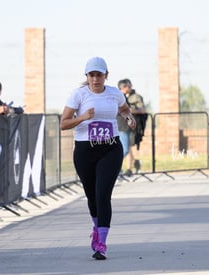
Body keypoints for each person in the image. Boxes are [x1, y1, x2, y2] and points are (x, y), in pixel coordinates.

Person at [60, 57, 136, 260]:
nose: (95, 79)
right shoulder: (78, 95)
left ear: (106, 75)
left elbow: (124, 109)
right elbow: (63, 123)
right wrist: (82, 118)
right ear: (87, 77)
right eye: (91, 75)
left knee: (103, 195)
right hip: (85, 151)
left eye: (99, 75)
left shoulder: (114, 93)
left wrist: (130, 120)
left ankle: (101, 243)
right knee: (92, 196)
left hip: (110, 148)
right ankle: (96, 227)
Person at [116, 79, 146, 176]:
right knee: (124, 149)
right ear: (123, 87)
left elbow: (126, 112)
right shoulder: (119, 97)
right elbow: (125, 111)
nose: (130, 88)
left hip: (126, 126)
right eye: (128, 86)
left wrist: (131, 122)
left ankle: (127, 168)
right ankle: (113, 166)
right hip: (121, 127)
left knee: (127, 148)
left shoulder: (124, 97)